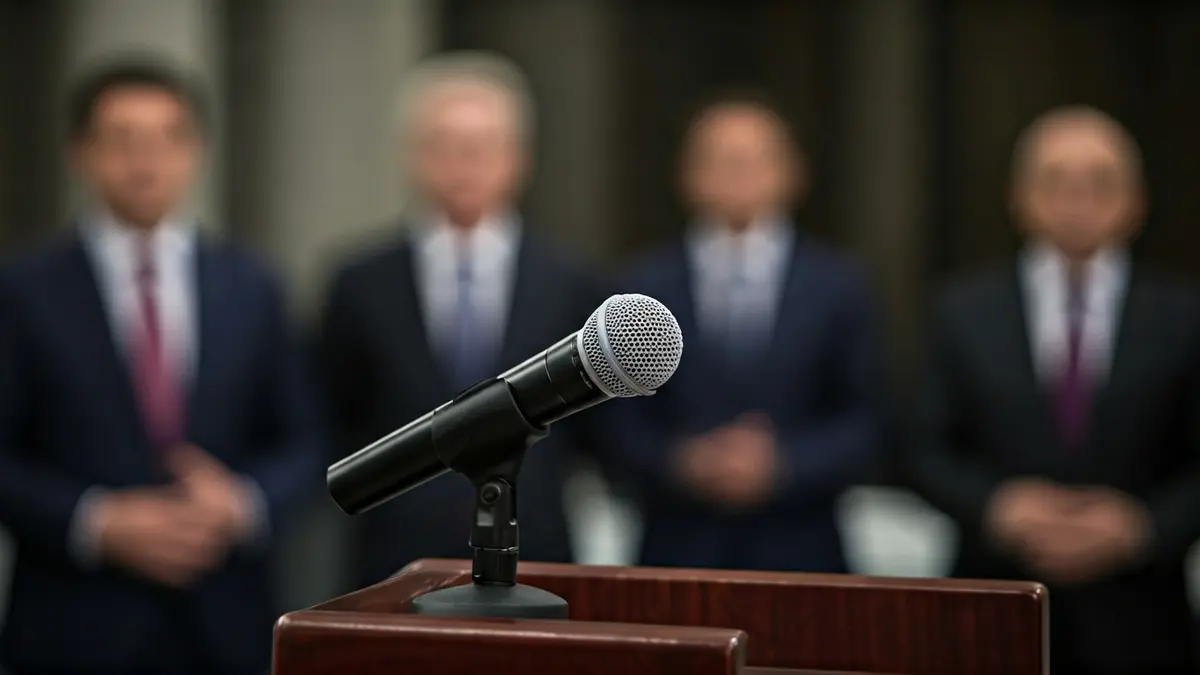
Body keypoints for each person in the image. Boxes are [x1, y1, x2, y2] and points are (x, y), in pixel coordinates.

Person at [0, 58, 323, 675]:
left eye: (164, 139)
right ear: (82, 153)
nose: (143, 161)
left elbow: (304, 439)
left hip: (226, 621)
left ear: (194, 151)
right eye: (121, 140)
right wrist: (93, 522)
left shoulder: (253, 286)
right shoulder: (23, 291)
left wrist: (242, 503)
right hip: (73, 626)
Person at [909, 106, 1200, 675]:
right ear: (1019, 196)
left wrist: (1142, 526)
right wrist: (998, 506)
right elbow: (920, 447)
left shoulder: (1184, 317)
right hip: (991, 610)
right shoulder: (961, 311)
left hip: (1139, 616)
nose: (1077, 200)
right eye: (1056, 181)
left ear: (1135, 202)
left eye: (1099, 183)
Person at [318, 52, 603, 588]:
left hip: (535, 553)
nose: (464, 163)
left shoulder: (569, 280)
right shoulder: (358, 283)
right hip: (396, 559)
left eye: (482, 146)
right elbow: (333, 416)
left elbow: (594, 429)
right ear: (413, 155)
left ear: (519, 157)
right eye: (444, 145)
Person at [601, 92, 882, 572]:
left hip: (800, 550)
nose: (738, 174)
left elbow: (870, 418)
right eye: (720, 160)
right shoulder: (640, 286)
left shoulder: (839, 286)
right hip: (677, 549)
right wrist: (682, 461)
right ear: (686, 175)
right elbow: (611, 420)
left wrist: (785, 462)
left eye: (754, 160)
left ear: (793, 173)